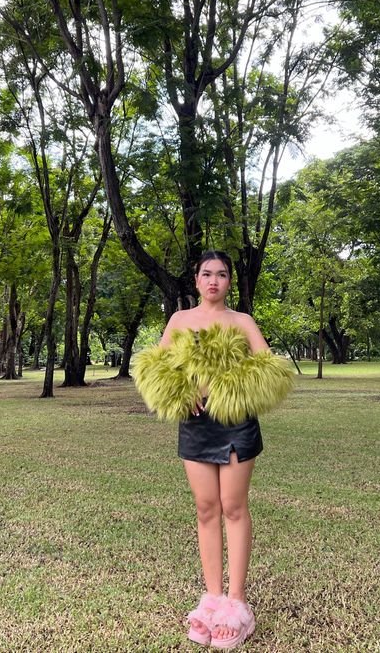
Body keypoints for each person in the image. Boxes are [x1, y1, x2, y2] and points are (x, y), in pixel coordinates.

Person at [133, 250, 293, 648]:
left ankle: (237, 606)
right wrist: (180, 391)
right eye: (207, 274)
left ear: (229, 281)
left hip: (235, 424)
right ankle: (212, 600)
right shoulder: (180, 320)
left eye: (222, 275)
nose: (214, 281)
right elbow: (154, 366)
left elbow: (271, 368)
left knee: (234, 507)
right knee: (206, 509)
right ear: (196, 279)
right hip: (195, 426)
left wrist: (227, 389)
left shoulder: (242, 322)